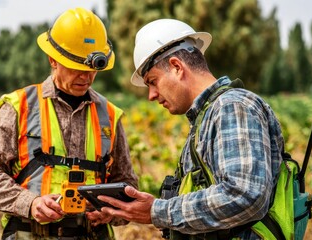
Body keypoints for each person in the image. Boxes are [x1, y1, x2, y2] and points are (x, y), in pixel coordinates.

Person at [98, 19, 291, 239]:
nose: (151, 95)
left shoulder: (231, 107)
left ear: (177, 67)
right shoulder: (207, 116)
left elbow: (245, 196)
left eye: (153, 81)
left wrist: (157, 211)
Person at [0, 7, 138, 240]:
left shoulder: (109, 115)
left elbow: (127, 183)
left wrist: (111, 212)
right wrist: (29, 203)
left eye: (90, 70)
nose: (85, 77)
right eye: (75, 67)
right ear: (52, 59)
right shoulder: (18, 107)